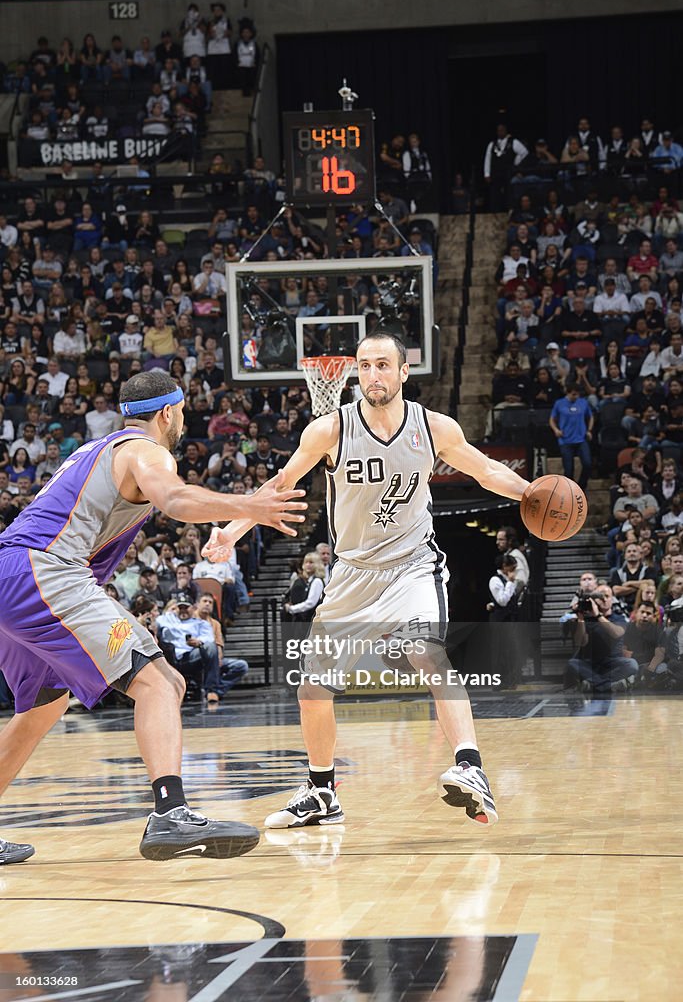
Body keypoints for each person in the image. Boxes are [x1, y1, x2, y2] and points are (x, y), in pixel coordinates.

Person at [202, 331, 531, 829]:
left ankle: (471, 766)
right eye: (364, 366)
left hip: (412, 564)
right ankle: (321, 792)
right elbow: (280, 485)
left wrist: (531, 492)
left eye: (382, 365)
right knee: (313, 689)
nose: (372, 375)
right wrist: (231, 532)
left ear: (403, 373)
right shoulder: (329, 430)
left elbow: (485, 470)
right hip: (352, 573)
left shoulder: (434, 427)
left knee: (426, 651)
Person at [0, 370, 306, 865]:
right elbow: (176, 500)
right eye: (182, 412)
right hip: (45, 572)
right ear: (168, 412)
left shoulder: (97, 449)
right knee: (162, 683)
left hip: (10, 575)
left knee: (41, 710)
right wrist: (248, 505)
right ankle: (170, 813)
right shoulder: (148, 452)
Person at [549, 382, 593, 490]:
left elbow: (590, 417)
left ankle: (581, 487)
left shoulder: (583, 402)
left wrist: (589, 430)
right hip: (565, 440)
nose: (575, 397)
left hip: (581, 438)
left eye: (577, 394)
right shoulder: (559, 403)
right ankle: (571, 491)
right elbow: (552, 419)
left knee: (588, 464)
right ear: (568, 393)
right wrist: (556, 430)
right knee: (569, 470)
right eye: (573, 394)